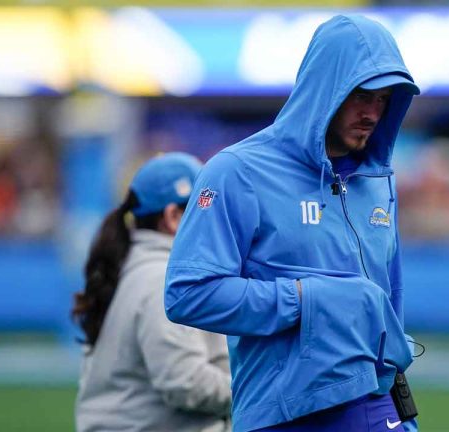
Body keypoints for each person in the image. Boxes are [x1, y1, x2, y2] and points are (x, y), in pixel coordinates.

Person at [164, 14, 420, 432]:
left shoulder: (378, 181)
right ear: (325, 86)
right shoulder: (236, 171)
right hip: (284, 414)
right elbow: (188, 294)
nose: (372, 112)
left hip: (377, 406)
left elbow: (390, 298)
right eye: (361, 94)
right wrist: (306, 299)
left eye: (384, 98)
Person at [73, 152, 232, 432]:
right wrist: (257, 390)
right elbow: (186, 383)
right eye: (206, 210)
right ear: (173, 217)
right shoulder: (161, 279)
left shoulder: (131, 267)